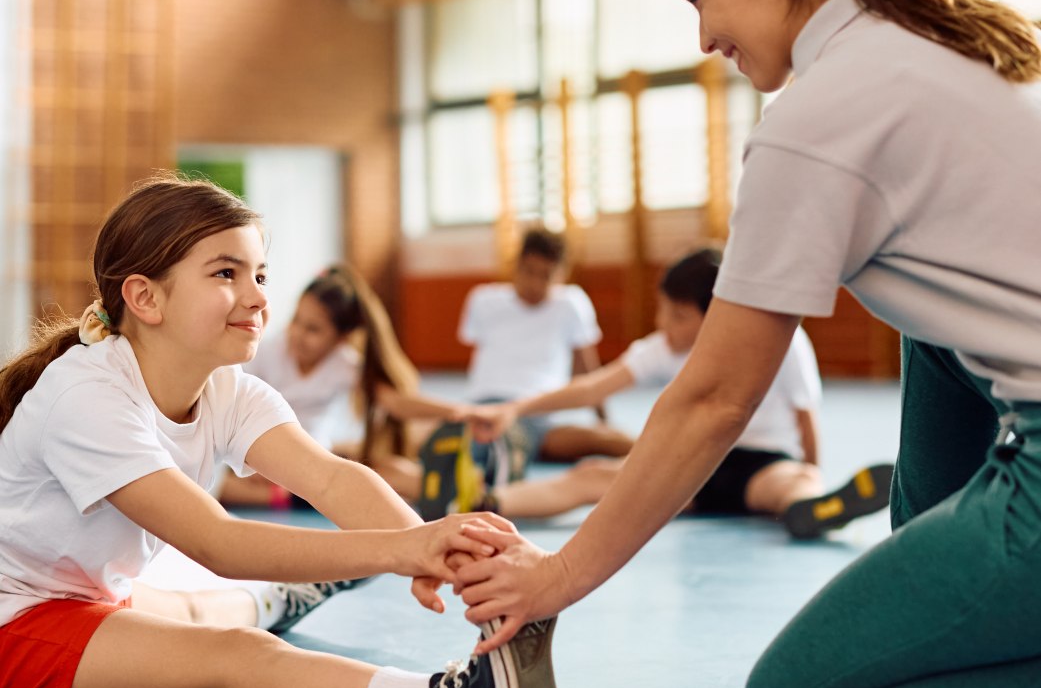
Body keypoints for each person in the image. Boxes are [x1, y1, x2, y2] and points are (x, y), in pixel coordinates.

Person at [451, 0, 1041, 688]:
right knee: (929, 329)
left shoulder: (818, 119)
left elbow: (715, 398)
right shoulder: (961, 41)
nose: (701, 40)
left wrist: (561, 576)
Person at [0, 174, 560, 688]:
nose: (259, 297)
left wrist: (449, 555)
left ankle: (281, 600)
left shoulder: (227, 389)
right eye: (226, 274)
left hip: (84, 592)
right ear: (145, 298)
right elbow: (220, 542)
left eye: (260, 274)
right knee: (238, 658)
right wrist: (402, 551)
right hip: (15, 618)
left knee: (193, 610)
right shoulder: (87, 396)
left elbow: (332, 478)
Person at [426, 248, 892, 537]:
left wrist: (811, 467)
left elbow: (805, 414)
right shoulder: (665, 347)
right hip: (694, 470)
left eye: (676, 316)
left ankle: (814, 507)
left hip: (762, 462)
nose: (662, 325)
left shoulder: (780, 340)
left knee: (788, 484)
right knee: (592, 475)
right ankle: (487, 504)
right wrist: (515, 408)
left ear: (715, 314)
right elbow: (592, 387)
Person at [219, 265, 500, 507]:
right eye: (297, 321)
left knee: (386, 468)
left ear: (341, 338)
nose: (298, 334)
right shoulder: (267, 351)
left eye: (313, 329)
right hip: (265, 459)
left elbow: (396, 403)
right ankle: (285, 497)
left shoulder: (343, 364)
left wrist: (463, 411)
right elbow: (230, 402)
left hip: (315, 458)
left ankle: (469, 486)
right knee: (218, 484)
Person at [458, 225, 632, 465]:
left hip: (539, 415)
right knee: (426, 437)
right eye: (529, 271)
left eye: (546, 276)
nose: (535, 284)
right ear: (516, 266)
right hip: (484, 409)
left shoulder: (570, 303)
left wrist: (603, 420)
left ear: (561, 274)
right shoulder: (484, 300)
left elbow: (587, 370)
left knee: (609, 440)